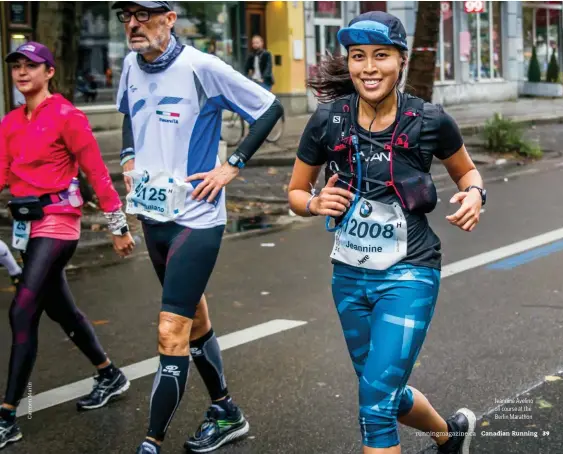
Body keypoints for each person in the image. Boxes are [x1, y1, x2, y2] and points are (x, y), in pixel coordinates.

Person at [288, 12, 486, 454]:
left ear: (401, 60)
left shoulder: (429, 120)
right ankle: (450, 436)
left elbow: (468, 174)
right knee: (380, 389)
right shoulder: (327, 121)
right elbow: (297, 192)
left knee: (374, 407)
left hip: (409, 273)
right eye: (358, 57)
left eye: (381, 56)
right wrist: (315, 203)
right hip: (349, 275)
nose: (368, 67)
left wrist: (475, 196)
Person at [111, 2, 283, 453]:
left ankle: (151, 442)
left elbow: (268, 108)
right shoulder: (130, 64)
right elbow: (129, 114)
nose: (133, 24)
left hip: (197, 217)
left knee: (171, 329)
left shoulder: (201, 67)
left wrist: (232, 166)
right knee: (194, 317)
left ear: (170, 18)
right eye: (125, 16)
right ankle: (226, 411)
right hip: (153, 217)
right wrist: (129, 157)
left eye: (143, 15)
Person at [0, 42, 135, 450]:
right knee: (60, 308)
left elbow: (96, 172)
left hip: (59, 224)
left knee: (22, 309)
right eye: (16, 66)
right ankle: (109, 373)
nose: (22, 72)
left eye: (31, 66)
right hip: (27, 225)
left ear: (49, 72)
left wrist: (118, 226)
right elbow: (3, 173)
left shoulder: (67, 116)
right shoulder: (9, 122)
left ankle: (7, 416)